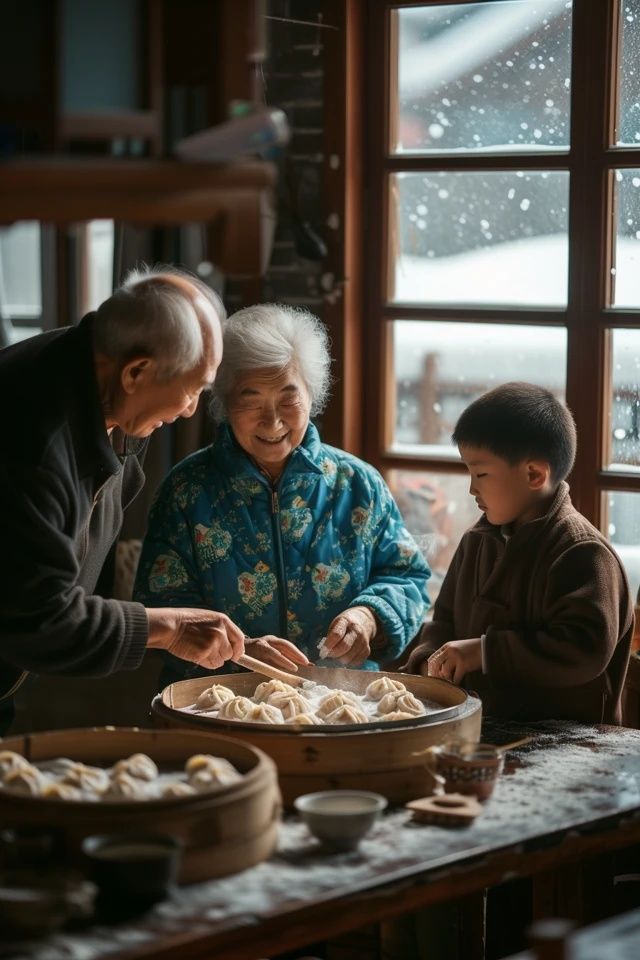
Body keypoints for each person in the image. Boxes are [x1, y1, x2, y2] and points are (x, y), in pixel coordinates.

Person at [0, 266, 249, 730]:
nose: (191, 410)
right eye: (192, 391)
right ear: (137, 371)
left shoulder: (112, 385)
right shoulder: (32, 442)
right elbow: (40, 619)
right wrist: (169, 629)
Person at [134, 303, 430, 682]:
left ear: (312, 395)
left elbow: (407, 577)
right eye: (251, 401)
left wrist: (368, 616)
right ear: (225, 403)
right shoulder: (187, 491)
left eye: (288, 399)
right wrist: (241, 651)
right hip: (218, 701)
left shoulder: (358, 484)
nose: (272, 422)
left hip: (338, 701)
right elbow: (160, 606)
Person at [405, 381, 633, 724]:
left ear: (534, 474)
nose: (471, 488)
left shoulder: (583, 553)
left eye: (480, 473)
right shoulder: (476, 541)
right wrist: (428, 661)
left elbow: (585, 650)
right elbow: (445, 621)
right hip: (483, 729)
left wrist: (484, 652)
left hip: (567, 745)